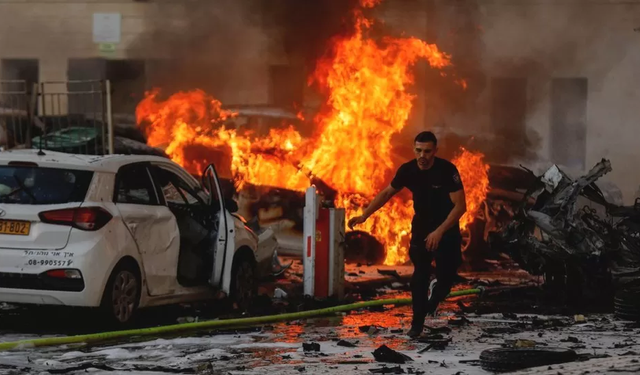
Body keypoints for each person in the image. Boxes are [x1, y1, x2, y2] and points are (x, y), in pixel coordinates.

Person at [348, 131, 466, 338]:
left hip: (446, 230)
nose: (423, 155)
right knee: (419, 275)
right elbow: (386, 193)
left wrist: (439, 232)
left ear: (435, 151)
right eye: (418, 150)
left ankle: (438, 293)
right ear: (414, 149)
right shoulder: (408, 170)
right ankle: (417, 324)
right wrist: (364, 215)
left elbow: (460, 207)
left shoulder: (447, 171)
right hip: (421, 228)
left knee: (447, 277)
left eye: (427, 151)